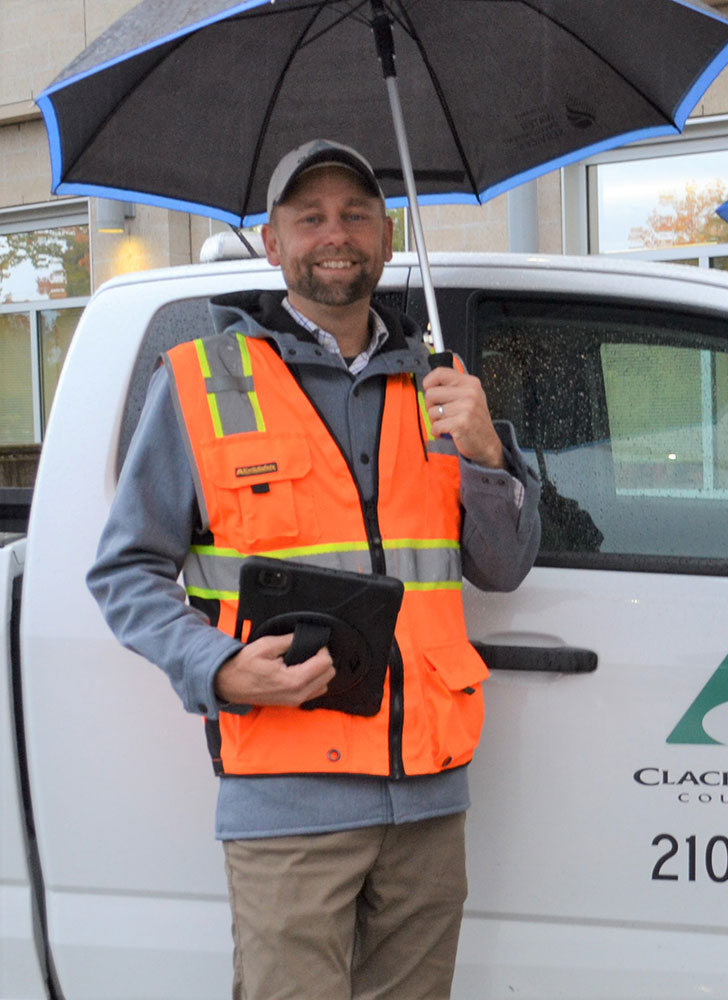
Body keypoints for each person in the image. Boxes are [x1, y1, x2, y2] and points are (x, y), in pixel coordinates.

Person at [87, 138, 541, 1000]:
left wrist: (486, 453)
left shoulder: (445, 390)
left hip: (428, 799)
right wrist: (216, 666)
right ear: (273, 243)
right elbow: (126, 572)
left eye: (356, 215)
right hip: (289, 801)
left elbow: (504, 566)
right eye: (311, 217)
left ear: (387, 234)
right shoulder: (202, 382)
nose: (336, 234)